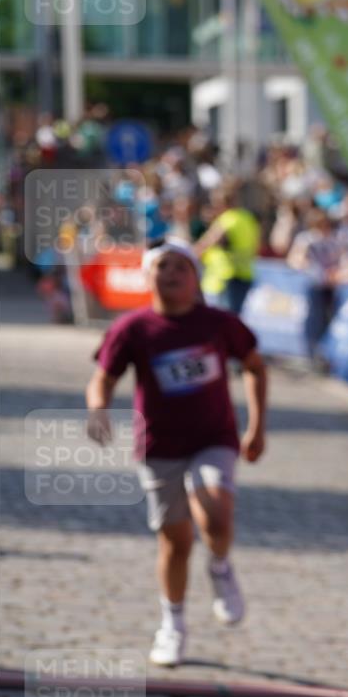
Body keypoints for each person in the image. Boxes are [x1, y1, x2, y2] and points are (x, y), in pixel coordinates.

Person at [85, 238, 267, 667]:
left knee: (217, 515)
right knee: (176, 542)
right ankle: (173, 624)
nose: (171, 275)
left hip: (213, 438)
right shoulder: (132, 329)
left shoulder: (218, 324)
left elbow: (256, 367)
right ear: (146, 277)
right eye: (162, 267)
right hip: (159, 446)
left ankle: (220, 567)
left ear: (196, 277)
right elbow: (103, 377)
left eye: (180, 267)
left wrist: (257, 426)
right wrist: (97, 409)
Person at [194, 185, 261, 314]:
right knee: (233, 319)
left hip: (225, 276)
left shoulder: (227, 220)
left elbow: (208, 243)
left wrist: (187, 254)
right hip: (245, 274)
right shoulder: (247, 218)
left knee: (222, 320)